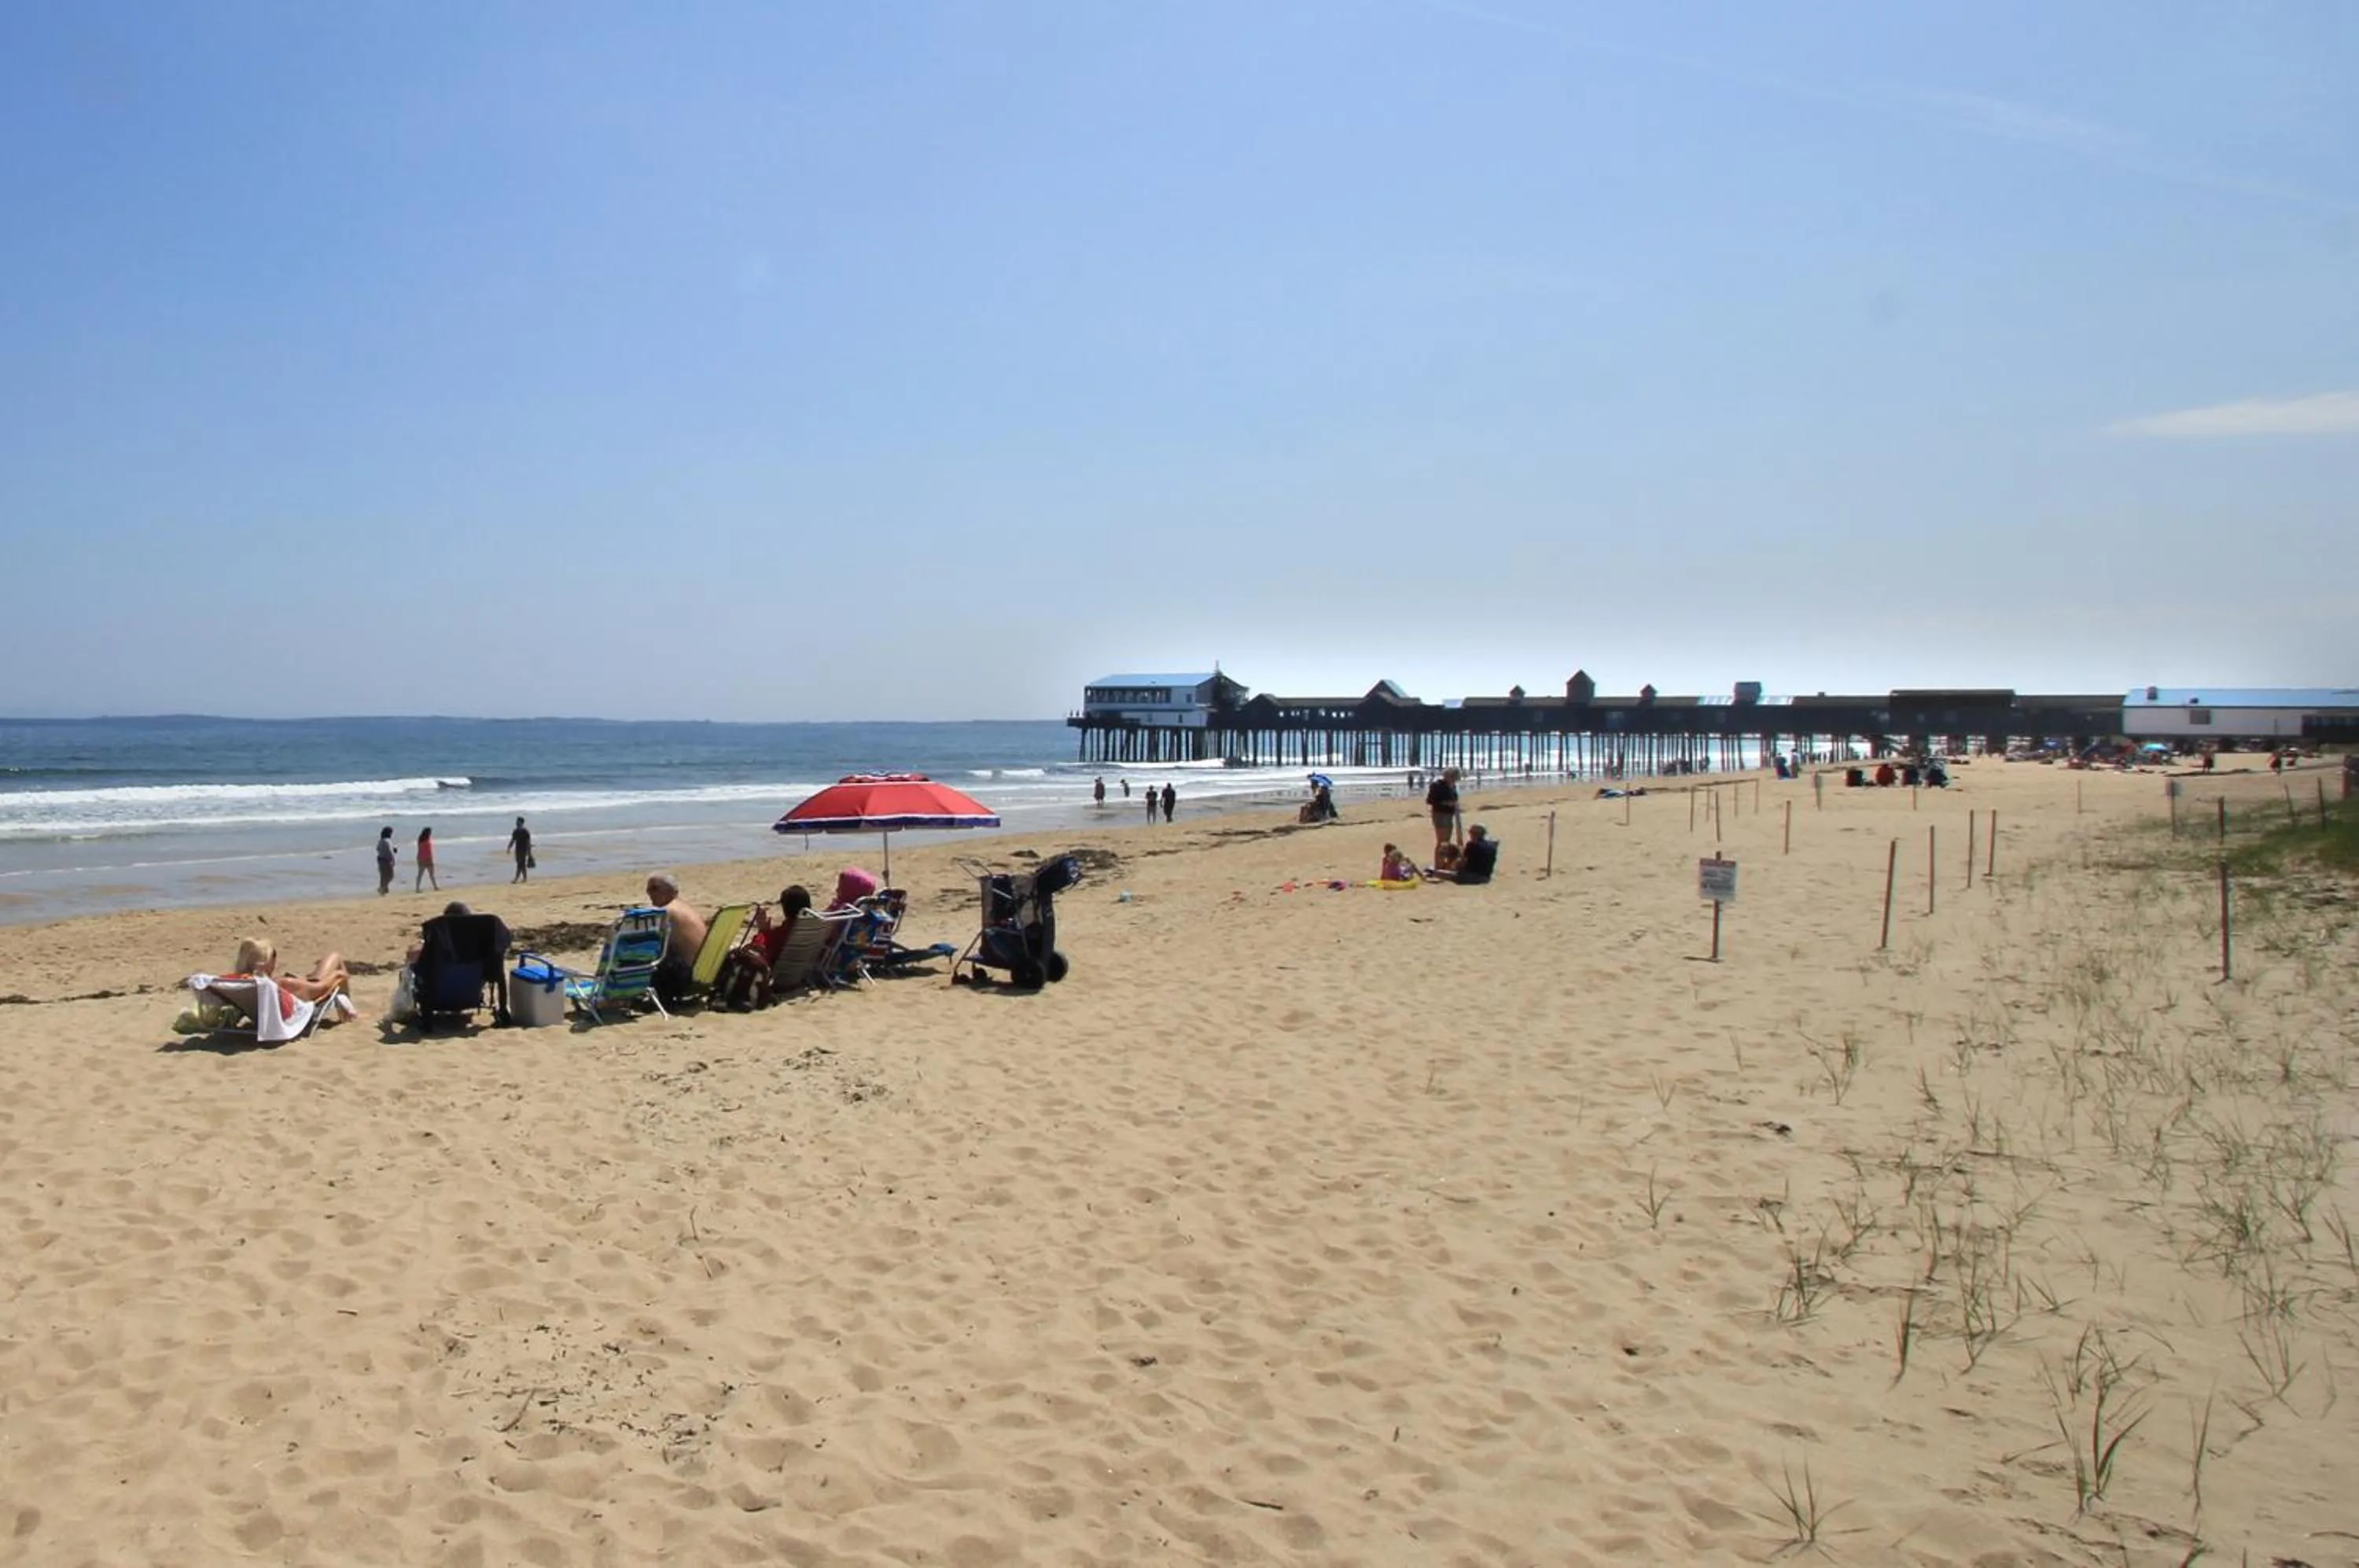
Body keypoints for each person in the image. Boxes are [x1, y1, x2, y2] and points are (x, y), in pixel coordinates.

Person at [714, 885, 811, 1010]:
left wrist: (763, 930)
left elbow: (759, 951)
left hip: (780, 980)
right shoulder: (810, 929)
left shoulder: (784, 933)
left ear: (785, 908)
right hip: (799, 976)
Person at [231, 937, 357, 1011]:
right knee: (335, 958)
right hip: (309, 999)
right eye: (274, 956)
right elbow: (321, 988)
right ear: (268, 962)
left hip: (294, 992)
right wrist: (337, 975)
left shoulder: (240, 985)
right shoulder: (281, 984)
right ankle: (349, 1012)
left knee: (315, 972)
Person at [643, 874, 708, 1007]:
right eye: (648, 889)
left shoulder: (666, 912)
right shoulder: (687, 908)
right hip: (707, 972)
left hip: (685, 978)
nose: (649, 893)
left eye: (654, 889)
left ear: (670, 890)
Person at [1435, 824, 1500, 885]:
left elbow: (1462, 863)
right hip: (1487, 877)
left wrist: (1458, 857)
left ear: (1474, 834)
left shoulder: (1472, 845)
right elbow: (1496, 842)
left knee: (1437, 872)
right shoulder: (1492, 845)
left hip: (1471, 877)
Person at [1425, 768, 1462, 861]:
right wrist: (1446, 803)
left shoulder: (1452, 786)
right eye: (1453, 778)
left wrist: (1454, 805)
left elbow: (1455, 798)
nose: (1454, 780)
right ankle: (1438, 862)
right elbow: (1430, 800)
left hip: (1449, 814)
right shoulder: (1437, 785)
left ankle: (1443, 861)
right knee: (1441, 841)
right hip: (1440, 814)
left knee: (1447, 841)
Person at [507, 817, 533, 883]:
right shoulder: (515, 831)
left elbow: (528, 842)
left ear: (522, 823)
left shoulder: (525, 831)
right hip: (518, 850)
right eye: (516, 821)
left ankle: (516, 879)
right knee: (521, 864)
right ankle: (525, 878)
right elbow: (513, 840)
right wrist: (509, 847)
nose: (516, 823)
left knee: (520, 864)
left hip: (524, 850)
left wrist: (529, 852)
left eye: (518, 821)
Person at [414, 826, 439, 892]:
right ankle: (435, 887)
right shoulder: (427, 840)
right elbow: (428, 850)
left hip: (421, 858)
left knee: (420, 874)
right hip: (428, 858)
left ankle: (417, 888)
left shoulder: (420, 840)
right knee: (431, 874)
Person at [376, 826, 397, 896]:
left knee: (383, 876)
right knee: (390, 876)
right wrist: (393, 860)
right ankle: (383, 888)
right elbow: (390, 852)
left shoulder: (381, 841)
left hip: (380, 859)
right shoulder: (388, 841)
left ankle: (383, 890)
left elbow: (377, 849)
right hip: (386, 860)